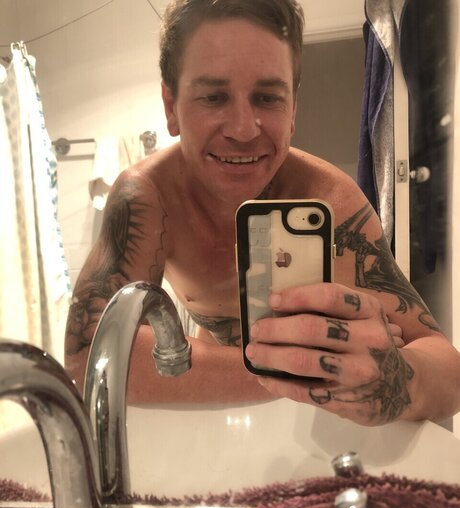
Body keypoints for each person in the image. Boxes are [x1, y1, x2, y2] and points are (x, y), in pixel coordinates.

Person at [64, 0, 460, 426]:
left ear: (293, 110)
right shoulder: (148, 198)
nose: (242, 129)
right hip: (240, 415)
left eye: (268, 98)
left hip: (313, 422)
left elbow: (447, 371)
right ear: (171, 106)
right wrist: (297, 373)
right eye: (213, 97)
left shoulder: (329, 202)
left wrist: (397, 379)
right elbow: (90, 361)